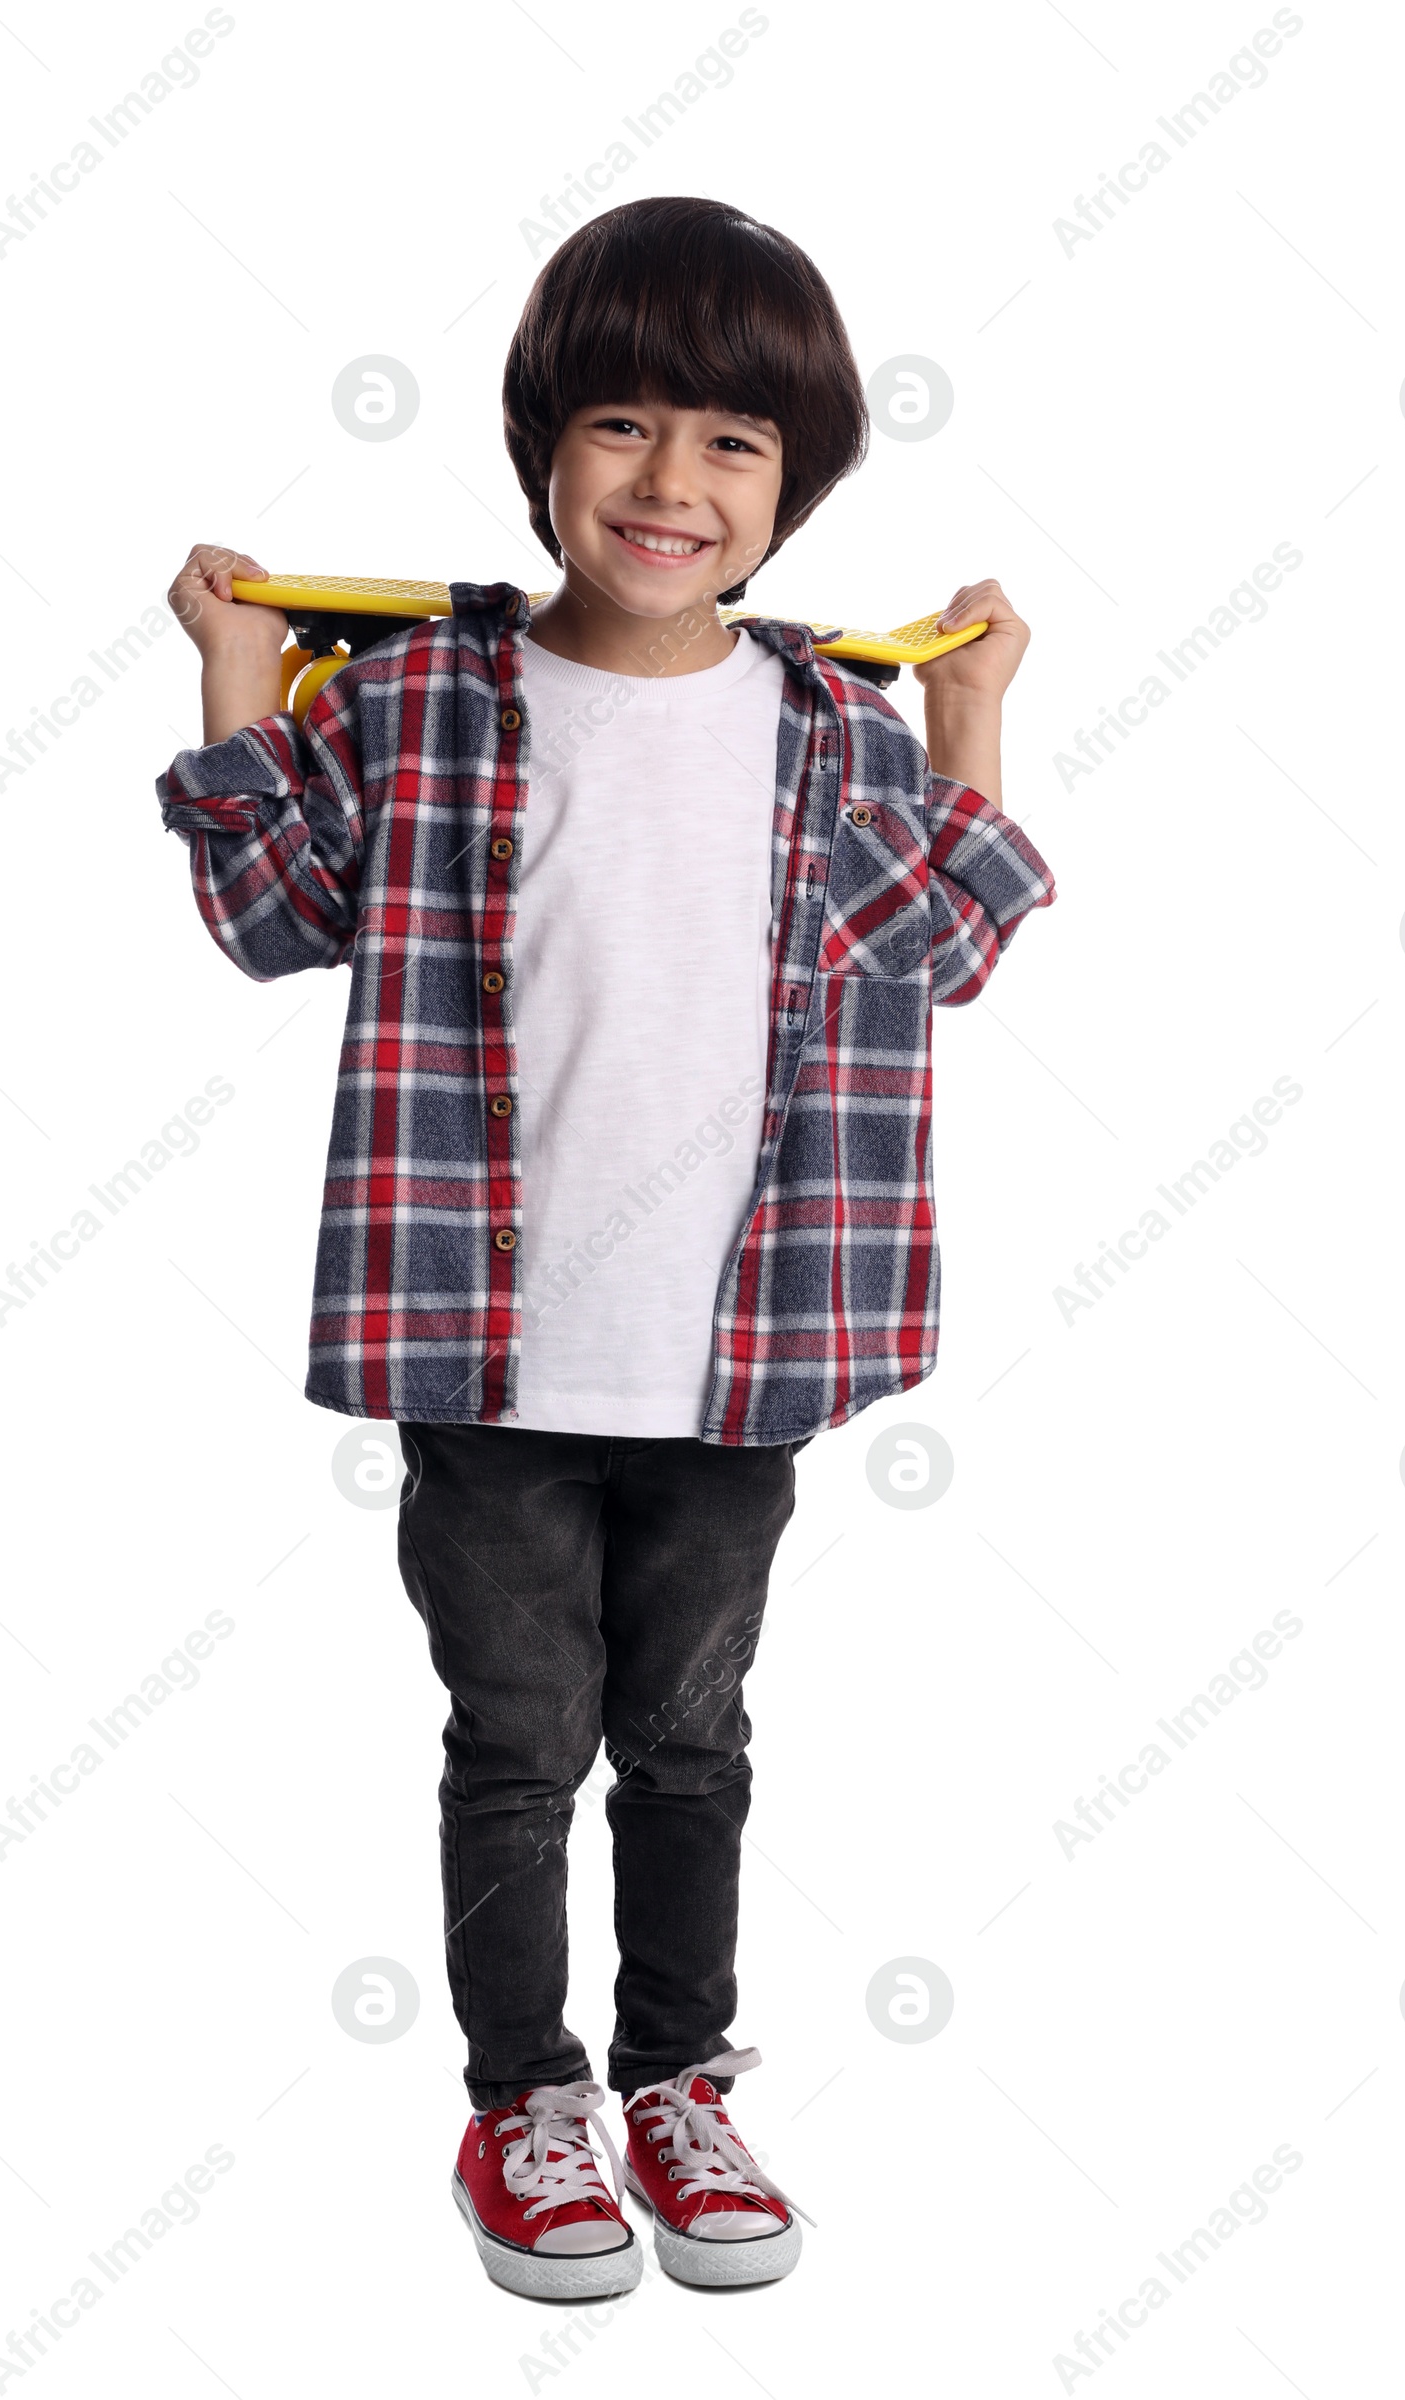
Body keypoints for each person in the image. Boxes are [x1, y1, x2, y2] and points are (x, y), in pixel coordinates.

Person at [157, 194, 1055, 2302]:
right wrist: (232, 674)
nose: (668, 485)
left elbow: (951, 937)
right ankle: (522, 2101)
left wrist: (972, 709)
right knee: (512, 1740)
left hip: (732, 1356)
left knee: (689, 1738)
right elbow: (274, 911)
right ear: (543, 446)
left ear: (788, 492)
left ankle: (676, 2078)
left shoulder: (830, 729)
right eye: (624, 428)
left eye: (731, 446)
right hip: (486, 1360)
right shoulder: (426, 699)